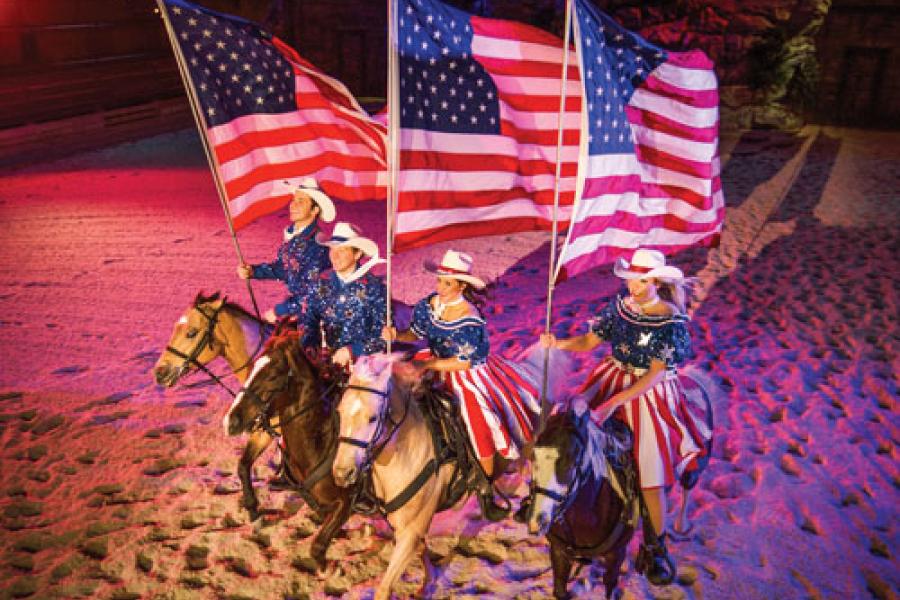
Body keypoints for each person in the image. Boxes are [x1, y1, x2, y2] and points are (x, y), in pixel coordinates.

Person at [540, 248, 710, 586]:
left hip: (647, 393)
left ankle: (656, 546)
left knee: (650, 471)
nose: (634, 286)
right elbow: (591, 340)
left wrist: (616, 402)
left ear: (657, 281)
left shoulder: (671, 321)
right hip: (611, 375)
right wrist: (558, 343)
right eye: (631, 279)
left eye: (642, 280)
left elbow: (656, 374)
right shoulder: (621, 307)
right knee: (569, 426)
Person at [383, 250, 541, 522]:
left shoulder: (470, 318)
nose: (439, 287)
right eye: (440, 280)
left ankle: (485, 487)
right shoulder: (429, 304)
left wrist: (429, 366)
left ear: (461, 285)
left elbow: (465, 362)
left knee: (477, 423)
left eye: (447, 282)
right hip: (432, 362)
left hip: (465, 373)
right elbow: (417, 334)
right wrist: (397, 334)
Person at [237, 178, 335, 323]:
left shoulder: (317, 246)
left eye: (301, 201)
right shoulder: (297, 237)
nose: (293, 205)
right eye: (294, 200)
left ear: (315, 210)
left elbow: (310, 293)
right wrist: (253, 271)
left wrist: (279, 310)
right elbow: (285, 268)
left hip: (318, 318)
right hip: (300, 309)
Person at [300, 222, 388, 367]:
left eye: (342, 250)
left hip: (365, 366)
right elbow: (309, 318)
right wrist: (309, 343)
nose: (334, 255)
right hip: (328, 362)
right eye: (332, 249)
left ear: (357, 254)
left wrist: (353, 350)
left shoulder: (375, 288)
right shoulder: (320, 282)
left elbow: (383, 336)